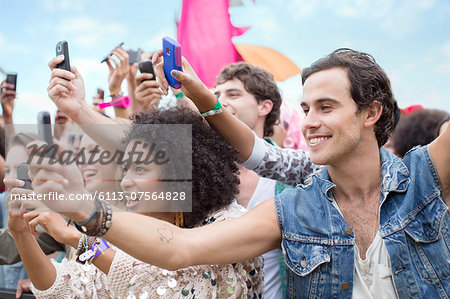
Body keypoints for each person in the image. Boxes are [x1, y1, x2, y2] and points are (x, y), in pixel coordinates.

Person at [39, 48, 449, 298]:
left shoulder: (427, 176)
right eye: (305, 109)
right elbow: (179, 248)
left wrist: (78, 234)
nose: (309, 122)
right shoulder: (293, 208)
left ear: (371, 112)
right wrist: (84, 218)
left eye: (326, 107)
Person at [8, 106, 264, 298]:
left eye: (140, 170)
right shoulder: (134, 228)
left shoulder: (229, 222)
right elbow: (67, 288)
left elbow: (168, 288)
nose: (126, 182)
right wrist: (21, 233)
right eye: (126, 169)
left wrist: (76, 238)